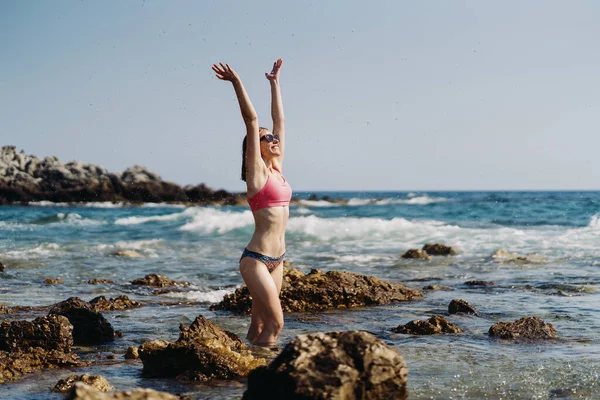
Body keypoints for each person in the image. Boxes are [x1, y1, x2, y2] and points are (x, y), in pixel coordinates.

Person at [212, 59, 291, 346]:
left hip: (277, 260)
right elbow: (252, 119)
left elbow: (279, 120)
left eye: (274, 137)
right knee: (276, 323)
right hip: (255, 260)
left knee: (259, 323)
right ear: (253, 149)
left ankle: (247, 367)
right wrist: (237, 82)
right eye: (266, 137)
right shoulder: (256, 177)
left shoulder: (278, 170)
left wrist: (274, 84)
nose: (273, 138)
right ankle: (266, 378)